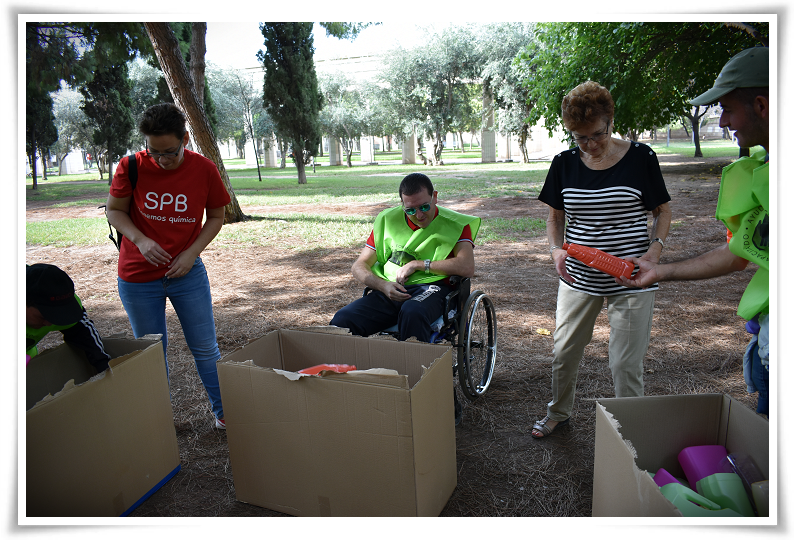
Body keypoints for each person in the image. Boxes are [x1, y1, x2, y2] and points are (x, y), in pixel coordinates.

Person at [617, 47, 770, 418]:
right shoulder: (763, 170)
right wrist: (660, 271)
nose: (723, 122)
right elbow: (737, 254)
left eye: (727, 109)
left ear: (761, 106)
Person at [532, 81, 672, 439]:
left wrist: (654, 251)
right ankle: (558, 413)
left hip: (632, 278)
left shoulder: (641, 158)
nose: (590, 145)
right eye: (580, 138)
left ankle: (631, 434)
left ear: (611, 121)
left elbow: (662, 211)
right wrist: (556, 249)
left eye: (597, 134)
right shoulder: (564, 163)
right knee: (564, 353)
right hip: (579, 277)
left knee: (625, 364)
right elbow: (555, 217)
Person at [105, 103, 231, 429]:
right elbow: (114, 211)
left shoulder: (204, 169)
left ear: (185, 139)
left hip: (187, 273)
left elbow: (216, 216)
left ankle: (225, 415)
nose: (161, 160)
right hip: (138, 277)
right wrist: (140, 240)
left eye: (170, 152)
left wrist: (191, 253)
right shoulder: (131, 166)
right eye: (154, 152)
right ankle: (159, 424)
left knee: (205, 347)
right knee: (152, 353)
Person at [330, 172, 480, 424]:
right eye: (410, 210)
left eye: (424, 207)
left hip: (434, 289)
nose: (419, 215)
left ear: (435, 197)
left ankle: (435, 398)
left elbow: (466, 267)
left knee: (412, 312)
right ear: (402, 204)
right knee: (342, 321)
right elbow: (359, 266)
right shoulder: (386, 220)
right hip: (390, 289)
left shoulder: (455, 223)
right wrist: (381, 285)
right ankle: (352, 392)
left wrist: (421, 264)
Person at [26, 263, 110, 372]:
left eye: (56, 316)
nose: (49, 323)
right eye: (43, 316)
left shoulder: (60, 303)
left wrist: (103, 365)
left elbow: (82, 333)